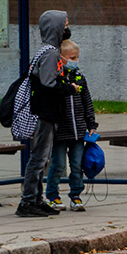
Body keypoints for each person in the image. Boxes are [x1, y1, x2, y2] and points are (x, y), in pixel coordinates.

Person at [17, 10, 79, 218]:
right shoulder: (52, 53)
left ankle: (36, 199)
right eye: (64, 25)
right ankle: (28, 202)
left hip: (44, 111)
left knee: (42, 158)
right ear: (55, 28)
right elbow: (47, 85)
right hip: (44, 113)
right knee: (39, 158)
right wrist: (68, 88)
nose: (66, 29)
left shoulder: (46, 50)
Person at [45, 38, 98, 212]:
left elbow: (86, 103)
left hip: (78, 132)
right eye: (72, 57)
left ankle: (76, 195)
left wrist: (91, 124)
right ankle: (52, 195)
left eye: (77, 57)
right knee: (58, 164)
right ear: (61, 58)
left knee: (77, 165)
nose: (76, 61)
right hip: (60, 132)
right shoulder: (56, 79)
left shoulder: (80, 79)